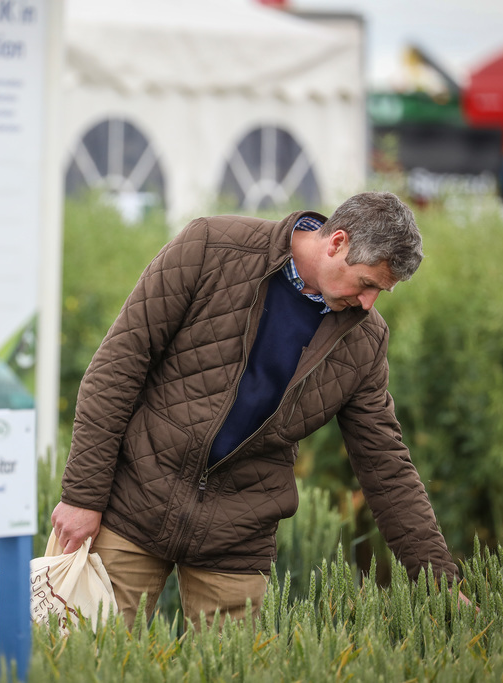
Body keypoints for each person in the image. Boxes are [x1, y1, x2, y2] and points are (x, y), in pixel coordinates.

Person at [51, 191, 462, 628]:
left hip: (237, 541)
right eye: (367, 283)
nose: (369, 303)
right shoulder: (211, 246)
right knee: (83, 656)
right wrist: (82, 496)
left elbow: (386, 466)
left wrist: (438, 582)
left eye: (381, 292)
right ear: (337, 242)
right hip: (131, 507)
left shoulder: (365, 341)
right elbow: (116, 369)